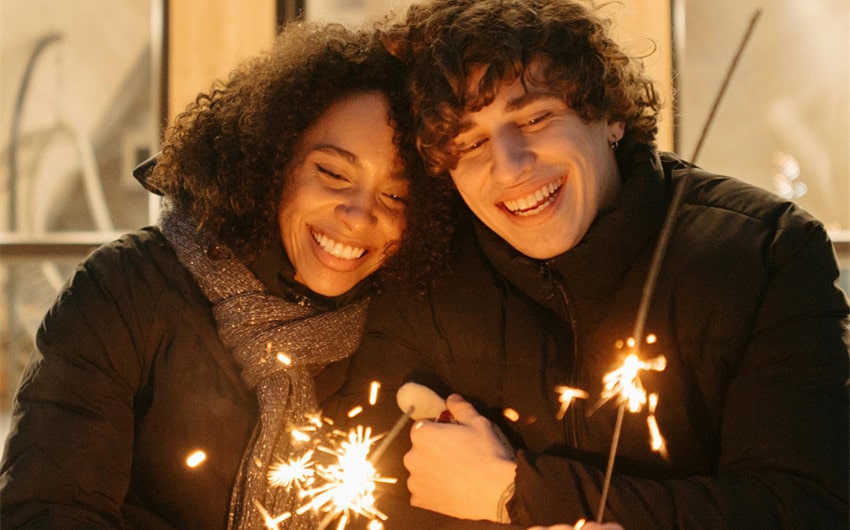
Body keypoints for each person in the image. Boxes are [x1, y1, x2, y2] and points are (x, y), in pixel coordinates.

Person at [335, 0, 850, 528]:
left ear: (612, 114)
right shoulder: (425, 273)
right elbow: (358, 500)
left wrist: (516, 491)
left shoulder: (764, 255)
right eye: (470, 143)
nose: (509, 167)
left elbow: (807, 508)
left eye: (535, 118)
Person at [0, 21, 455, 529]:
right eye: (332, 173)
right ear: (271, 161)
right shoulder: (126, 289)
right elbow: (43, 510)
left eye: (396, 196)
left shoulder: (409, 330)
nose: (357, 214)